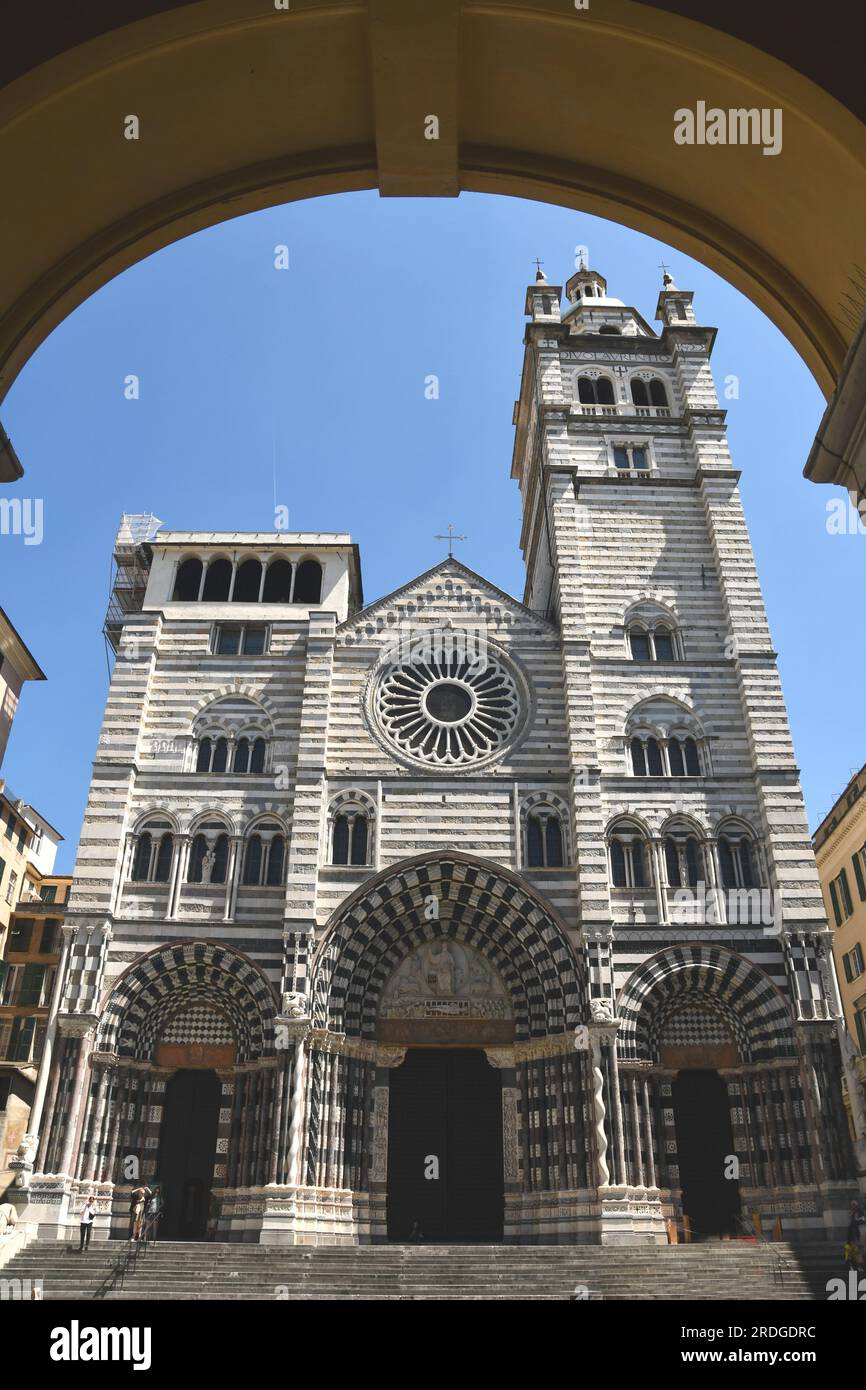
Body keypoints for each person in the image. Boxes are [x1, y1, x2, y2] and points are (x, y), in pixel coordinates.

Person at [847, 1199, 866, 1271]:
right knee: (851, 1249)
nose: (853, 1206)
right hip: (851, 1235)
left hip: (856, 1234)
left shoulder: (859, 1212)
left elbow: (862, 1220)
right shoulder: (852, 1212)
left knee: (856, 1250)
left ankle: (858, 1266)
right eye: (852, 1205)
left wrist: (857, 1220)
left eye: (854, 1204)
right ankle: (853, 1266)